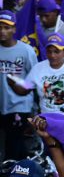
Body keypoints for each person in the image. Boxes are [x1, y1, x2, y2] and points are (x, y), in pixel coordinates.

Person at [8, 33, 64, 114]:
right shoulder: (38, 68)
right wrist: (13, 83)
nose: (52, 55)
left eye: (56, 51)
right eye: (49, 51)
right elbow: (26, 89)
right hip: (45, 120)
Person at [0, 10, 38, 162]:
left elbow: (35, 79)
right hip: (1, 104)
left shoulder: (26, 50)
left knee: (14, 145)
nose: (2, 31)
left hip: (19, 106)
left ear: (14, 29)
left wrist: (21, 86)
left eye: (7, 27)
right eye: (0, 27)